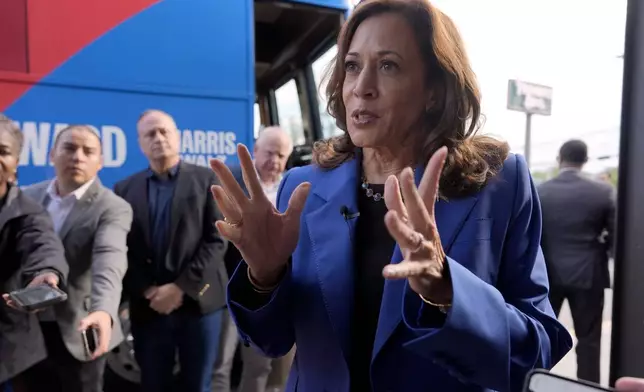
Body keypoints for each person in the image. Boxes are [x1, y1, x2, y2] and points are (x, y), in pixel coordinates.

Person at [210, 1, 572, 391]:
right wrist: (263, 279)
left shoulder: (500, 185)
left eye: (388, 65)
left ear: (434, 90)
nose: (361, 87)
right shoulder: (303, 188)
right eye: (352, 66)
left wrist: (447, 289)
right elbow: (271, 342)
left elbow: (538, 350)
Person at [114, 110, 228, 392]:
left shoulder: (208, 179)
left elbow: (217, 239)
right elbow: (121, 247)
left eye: (165, 131)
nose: (158, 138)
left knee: (198, 385)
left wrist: (178, 289)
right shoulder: (124, 189)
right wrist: (145, 290)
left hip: (199, 304)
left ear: (177, 137)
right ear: (140, 144)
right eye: (150, 134)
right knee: (153, 384)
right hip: (148, 306)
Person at [16, 125, 133, 392]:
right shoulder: (27, 197)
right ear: (51, 154)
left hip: (81, 329)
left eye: (88, 151)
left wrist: (103, 311)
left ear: (100, 162)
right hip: (27, 331)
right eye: (69, 148)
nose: (78, 156)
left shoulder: (113, 207)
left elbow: (110, 260)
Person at [212, 126, 295, 392]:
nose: (275, 161)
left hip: (270, 293)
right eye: (270, 153)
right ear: (256, 150)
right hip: (225, 286)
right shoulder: (231, 182)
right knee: (220, 364)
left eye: (281, 156)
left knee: (260, 365)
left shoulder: (291, 187)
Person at [538, 140, 615, 384]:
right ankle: (587, 388)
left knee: (542, 339)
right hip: (589, 276)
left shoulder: (540, 191)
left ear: (560, 158)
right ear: (585, 160)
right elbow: (616, 239)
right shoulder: (602, 192)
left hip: (547, 276)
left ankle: (534, 384)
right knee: (589, 343)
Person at [0, 115, 69, 388]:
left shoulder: (27, 211)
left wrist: (45, 274)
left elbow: (42, 244)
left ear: (15, 163)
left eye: (3, 151)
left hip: (7, 351)